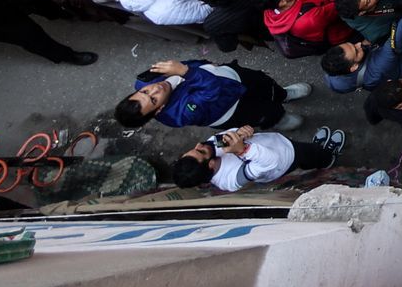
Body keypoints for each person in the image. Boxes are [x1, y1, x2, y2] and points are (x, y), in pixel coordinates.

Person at [116, 59, 312, 132]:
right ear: (158, 110)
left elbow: (188, 62)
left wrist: (203, 64)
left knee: (264, 84)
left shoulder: (144, 80)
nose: (154, 89)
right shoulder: (181, 115)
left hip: (233, 77)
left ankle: (284, 94)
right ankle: (278, 118)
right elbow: (212, 90)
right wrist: (186, 72)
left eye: (144, 92)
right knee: (263, 112)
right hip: (233, 107)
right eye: (153, 99)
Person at [173, 124, 342, 192]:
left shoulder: (209, 148)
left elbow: (228, 134)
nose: (199, 145)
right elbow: (271, 161)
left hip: (275, 141)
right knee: (308, 155)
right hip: (286, 157)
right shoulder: (231, 180)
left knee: (306, 150)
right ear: (210, 165)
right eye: (200, 152)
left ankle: (317, 149)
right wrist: (242, 149)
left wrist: (241, 133)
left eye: (194, 149)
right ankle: (328, 157)